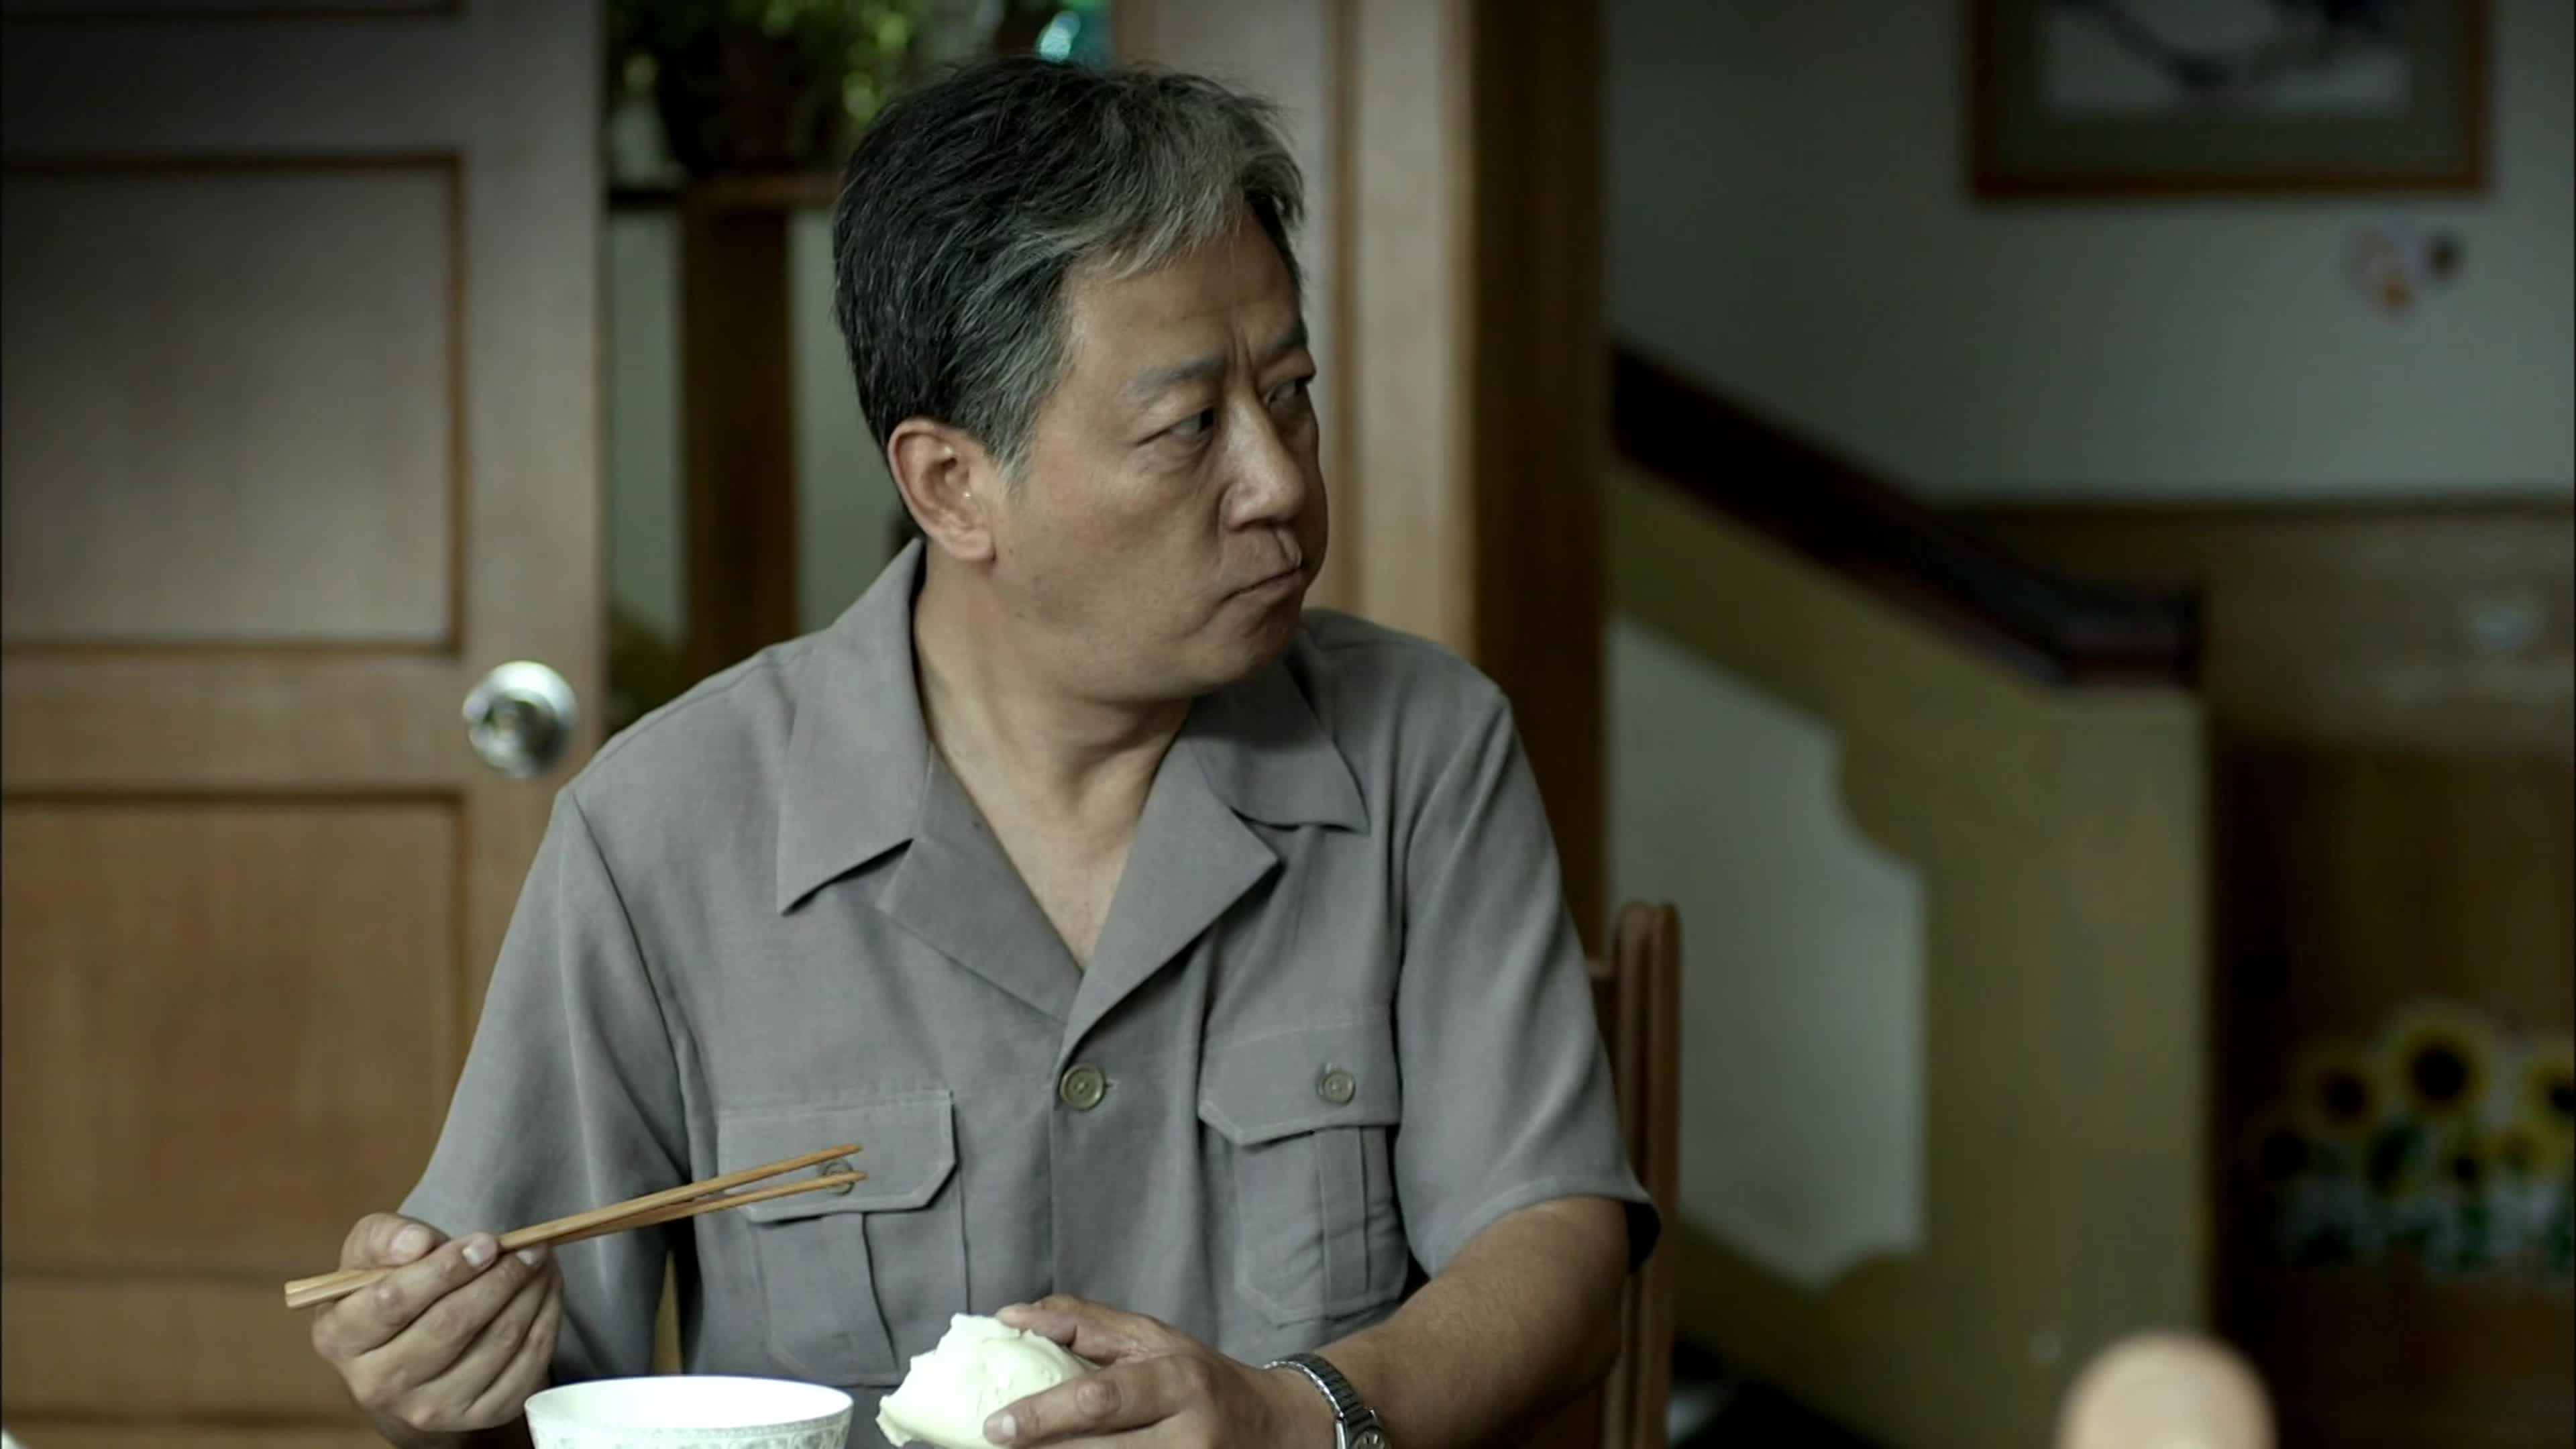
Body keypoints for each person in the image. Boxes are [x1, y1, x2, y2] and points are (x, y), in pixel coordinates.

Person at [311, 55, 1656, 1449]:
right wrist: (434, 1378)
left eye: (1291, 393)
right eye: (1190, 427)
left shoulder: (1424, 748)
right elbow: (530, 1367)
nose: (1280, 481)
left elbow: (1552, 1240)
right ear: (952, 486)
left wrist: (1291, 1415)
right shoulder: (663, 827)